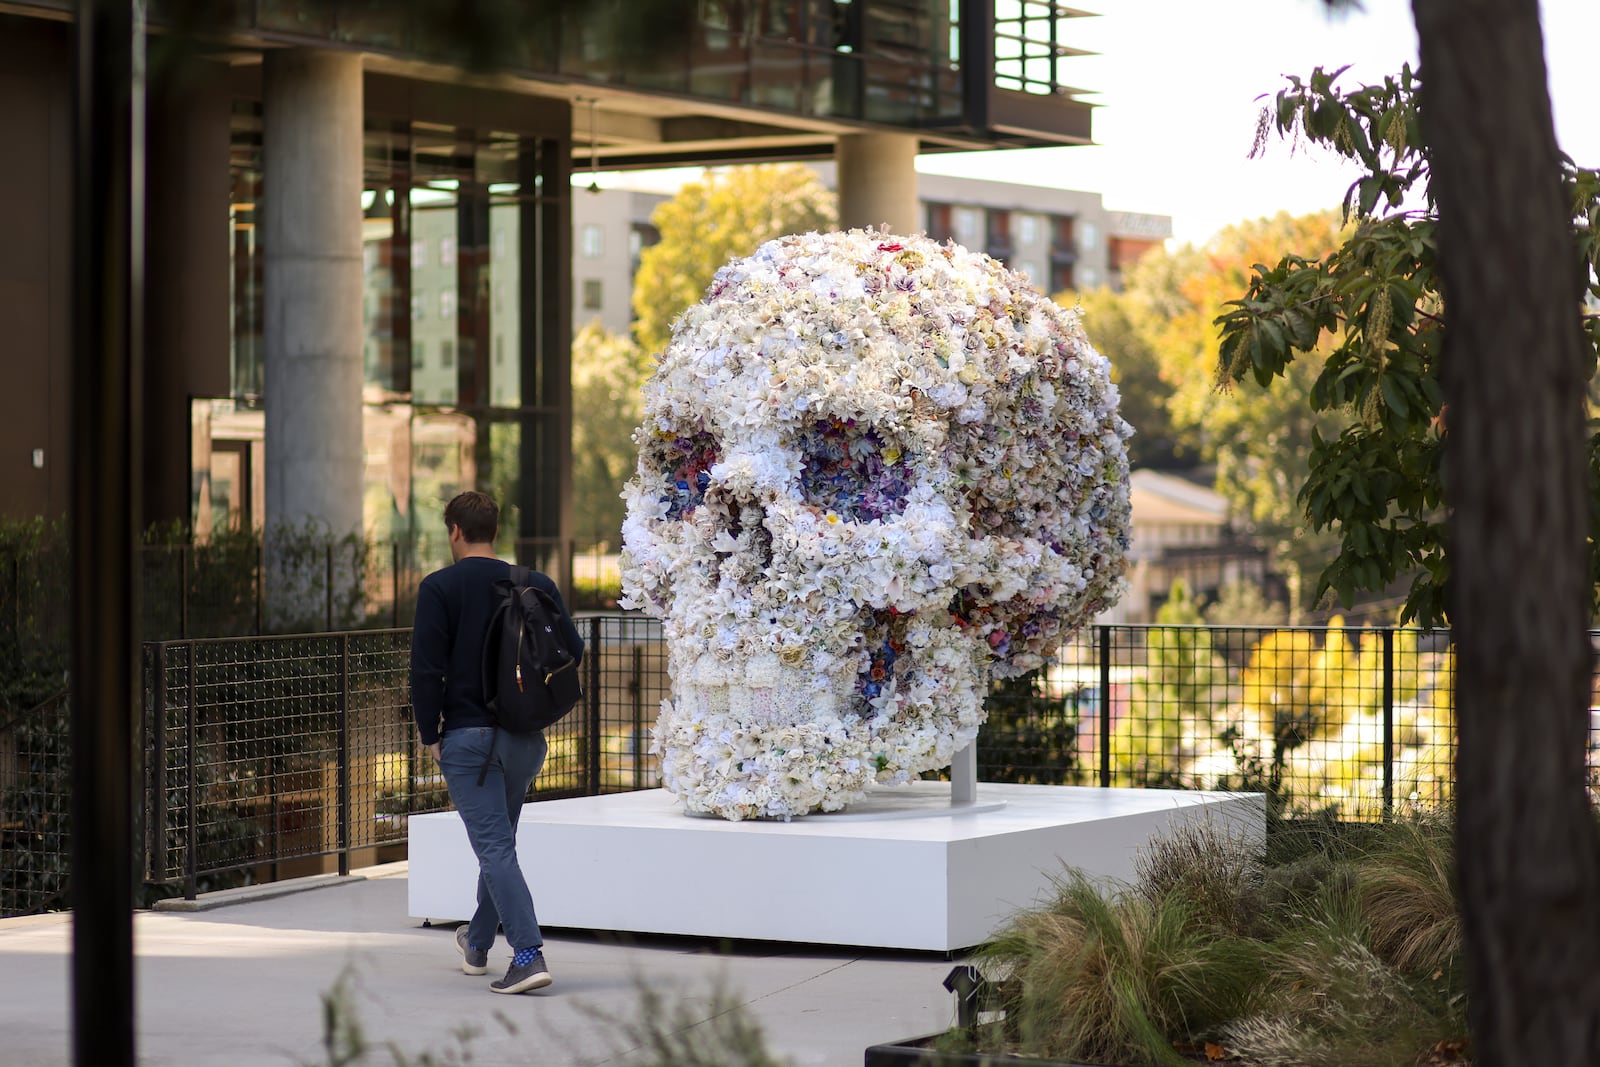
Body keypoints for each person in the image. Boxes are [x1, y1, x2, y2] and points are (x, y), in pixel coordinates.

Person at [410, 490, 582, 994]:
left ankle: (528, 955)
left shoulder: (439, 587)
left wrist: (428, 734)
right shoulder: (533, 582)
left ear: (455, 532)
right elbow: (572, 648)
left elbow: (426, 671)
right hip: (525, 740)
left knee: (495, 850)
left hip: (469, 743)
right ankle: (478, 944)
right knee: (499, 847)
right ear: (493, 531)